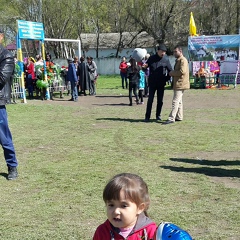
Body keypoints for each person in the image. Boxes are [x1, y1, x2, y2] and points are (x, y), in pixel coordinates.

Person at [93, 173, 157, 240]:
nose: (116, 211)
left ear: (140, 208)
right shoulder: (102, 231)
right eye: (111, 205)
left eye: (123, 206)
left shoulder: (151, 232)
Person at [0, 28, 18, 180]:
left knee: (4, 138)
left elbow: (1, 79)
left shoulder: (6, 56)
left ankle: (12, 167)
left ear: (1, 37)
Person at [143, 44, 172, 122]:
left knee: (160, 100)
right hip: (152, 83)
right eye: (162, 52)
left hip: (161, 83)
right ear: (158, 51)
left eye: (164, 52)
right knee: (150, 100)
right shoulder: (151, 58)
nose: (163, 53)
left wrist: (166, 79)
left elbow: (170, 70)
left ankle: (158, 115)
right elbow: (145, 68)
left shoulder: (166, 59)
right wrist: (144, 67)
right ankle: (147, 116)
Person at [163, 46, 190, 124]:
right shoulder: (179, 60)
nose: (174, 53)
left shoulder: (183, 60)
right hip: (179, 83)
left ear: (180, 51)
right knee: (179, 101)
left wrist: (172, 73)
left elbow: (182, 71)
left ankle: (171, 118)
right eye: (174, 51)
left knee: (175, 101)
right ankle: (179, 116)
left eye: (176, 51)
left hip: (180, 83)